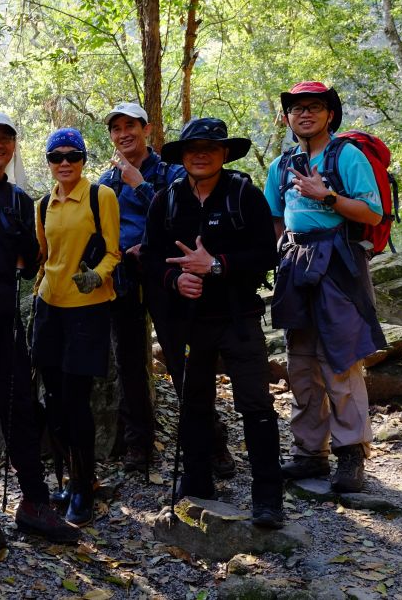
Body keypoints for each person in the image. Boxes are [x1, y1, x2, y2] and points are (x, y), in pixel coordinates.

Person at [141, 117, 284, 528]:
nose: (200, 154)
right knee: (194, 403)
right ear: (182, 156)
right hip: (187, 323)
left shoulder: (244, 195)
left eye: (209, 147)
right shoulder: (165, 201)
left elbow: (266, 255)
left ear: (224, 153)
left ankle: (268, 499)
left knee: (255, 405)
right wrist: (176, 278)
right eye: (192, 149)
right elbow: (150, 258)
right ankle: (197, 484)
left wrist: (216, 266)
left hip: (239, 318)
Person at [0, 111, 80, 543]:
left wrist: (21, 244)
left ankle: (33, 500)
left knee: (19, 405)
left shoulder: (19, 199)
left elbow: (30, 262)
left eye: (7, 140)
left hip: (3, 312)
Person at [99, 103, 237, 478]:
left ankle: (211, 443)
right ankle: (138, 443)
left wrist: (139, 186)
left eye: (131, 125)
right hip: (124, 279)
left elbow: (181, 221)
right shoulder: (104, 182)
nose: (124, 133)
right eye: (116, 128)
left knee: (183, 362)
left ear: (147, 129)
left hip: (169, 277)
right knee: (129, 363)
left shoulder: (173, 173)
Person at [264, 82, 385, 493]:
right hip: (296, 265)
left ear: (329, 114)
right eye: (297, 109)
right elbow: (276, 216)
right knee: (300, 362)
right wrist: (283, 248)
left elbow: (371, 211)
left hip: (339, 266)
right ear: (287, 118)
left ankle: (351, 453)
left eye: (314, 107)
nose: (305, 114)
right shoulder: (282, 164)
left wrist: (327, 195)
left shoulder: (346, 156)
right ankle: (309, 452)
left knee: (341, 358)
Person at [31, 128, 121, 527]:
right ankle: (66, 479)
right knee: (53, 399)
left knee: (76, 401)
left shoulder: (102, 197)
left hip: (88, 310)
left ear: (84, 160)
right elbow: (44, 257)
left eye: (72, 155)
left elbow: (113, 253)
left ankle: (84, 487)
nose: (64, 163)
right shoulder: (41, 205)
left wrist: (97, 276)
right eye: (56, 156)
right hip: (49, 307)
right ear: (49, 162)